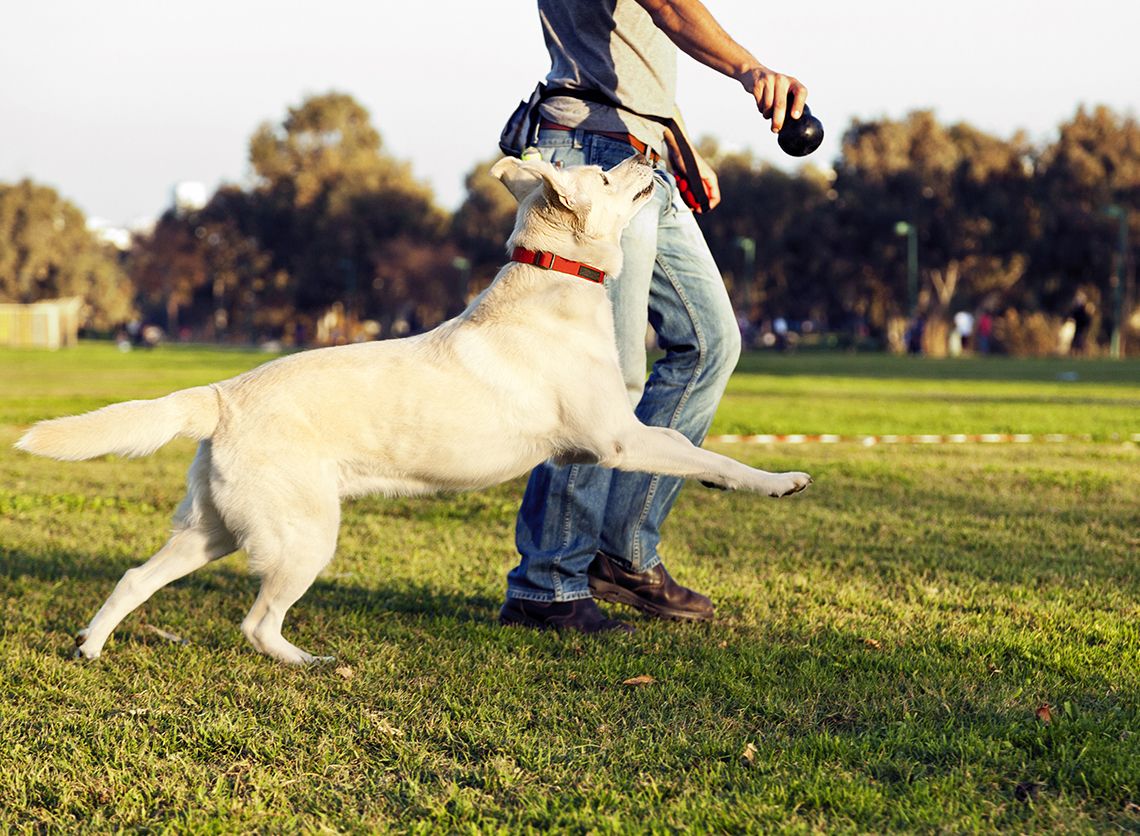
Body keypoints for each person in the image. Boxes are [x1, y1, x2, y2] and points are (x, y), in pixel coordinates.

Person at [498, 0, 810, 633]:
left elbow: (630, 53)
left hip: (641, 156)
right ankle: (548, 583)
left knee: (710, 342)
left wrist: (677, 141)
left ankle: (622, 554)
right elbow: (669, 7)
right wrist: (750, 69)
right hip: (594, 158)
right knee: (602, 382)